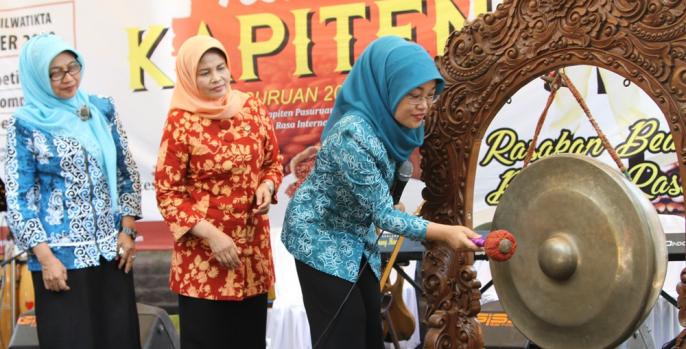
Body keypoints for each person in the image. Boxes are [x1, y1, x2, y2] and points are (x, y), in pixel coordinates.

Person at [281, 36, 482, 349]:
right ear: (386, 87)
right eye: (414, 95)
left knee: (370, 331)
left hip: (357, 235)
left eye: (430, 95)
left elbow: (378, 199)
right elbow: (383, 215)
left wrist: (386, 203)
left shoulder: (393, 123)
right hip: (319, 238)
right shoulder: (352, 135)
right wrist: (446, 233)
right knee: (343, 333)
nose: (424, 106)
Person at [5, 34, 142, 349]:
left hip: (112, 252)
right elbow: (19, 198)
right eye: (55, 73)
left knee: (119, 339)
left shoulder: (101, 108)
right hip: (60, 261)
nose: (69, 78)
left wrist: (128, 229)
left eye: (73, 67)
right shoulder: (24, 125)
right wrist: (45, 257)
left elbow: (126, 171)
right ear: (38, 76)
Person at [154, 35, 283, 349]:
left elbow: (272, 162)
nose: (216, 78)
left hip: (251, 257)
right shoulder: (180, 123)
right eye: (204, 72)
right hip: (203, 262)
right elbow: (167, 193)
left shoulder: (252, 109)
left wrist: (267, 185)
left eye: (220, 68)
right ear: (189, 78)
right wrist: (212, 235)